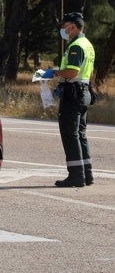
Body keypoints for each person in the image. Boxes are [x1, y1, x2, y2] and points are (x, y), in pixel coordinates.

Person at [42, 12, 95, 187]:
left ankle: (76, 176)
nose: (63, 30)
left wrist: (54, 73)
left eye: (65, 27)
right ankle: (87, 174)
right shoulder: (87, 44)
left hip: (73, 95)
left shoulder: (76, 46)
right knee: (80, 134)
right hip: (84, 92)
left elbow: (72, 72)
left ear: (73, 26)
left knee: (70, 134)